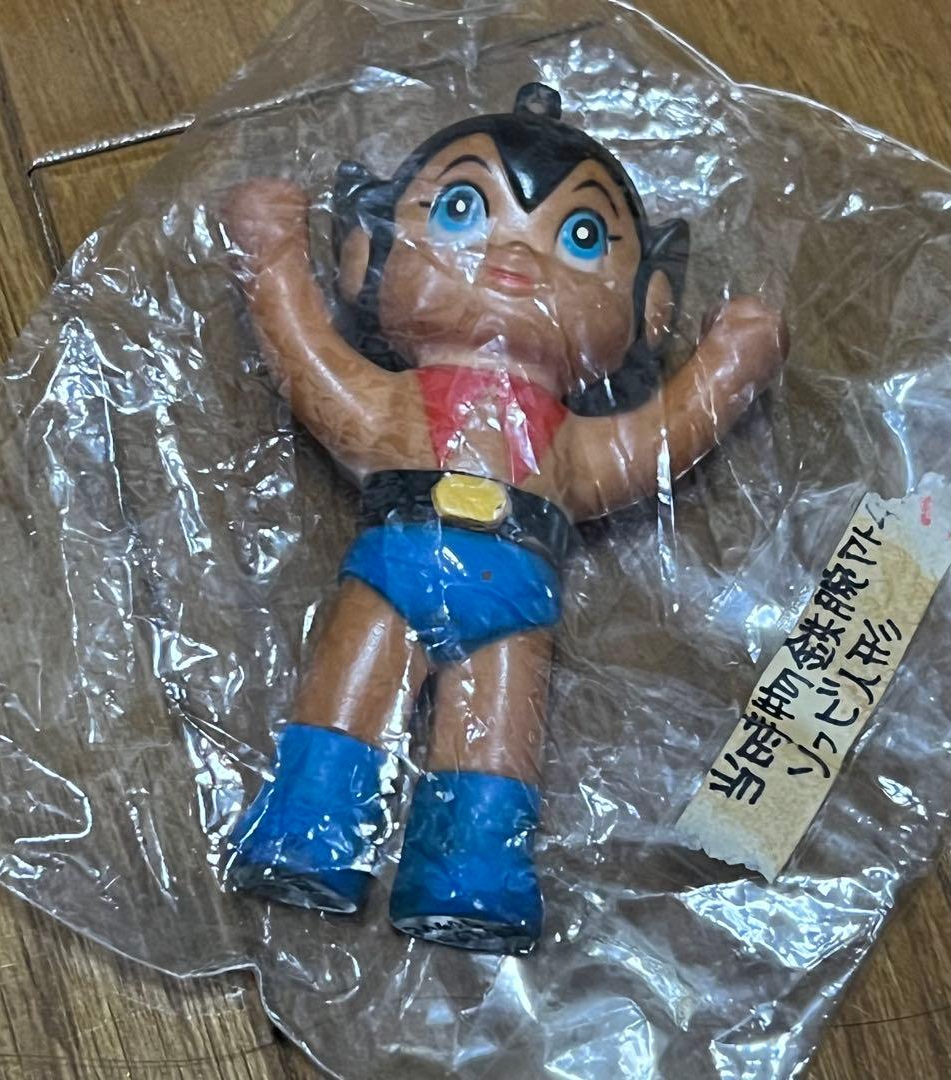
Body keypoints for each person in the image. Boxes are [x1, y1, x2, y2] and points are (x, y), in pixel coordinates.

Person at [222, 83, 788, 952]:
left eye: (582, 236)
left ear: (650, 307)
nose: (514, 255)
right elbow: (307, 361)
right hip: (395, 565)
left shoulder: (571, 444)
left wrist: (727, 369)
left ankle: (471, 872)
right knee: (346, 702)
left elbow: (659, 439)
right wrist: (272, 259)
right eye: (462, 209)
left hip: (516, 596)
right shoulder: (391, 404)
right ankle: (308, 834)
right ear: (365, 251)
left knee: (493, 746)